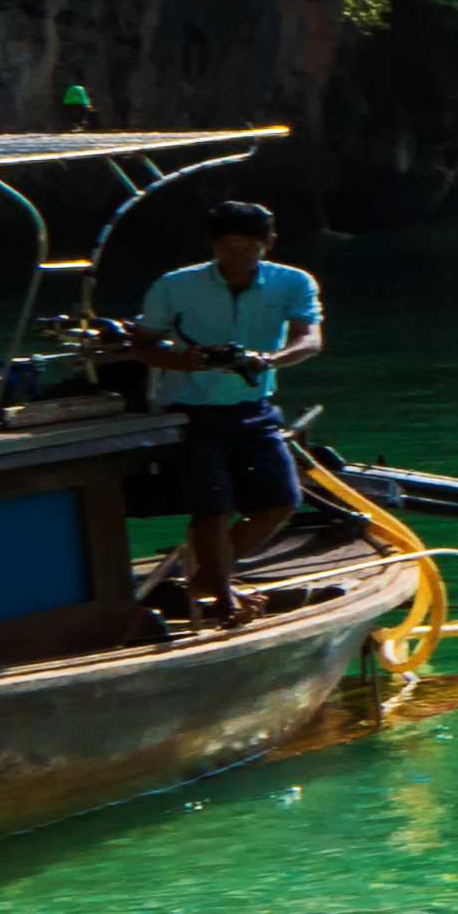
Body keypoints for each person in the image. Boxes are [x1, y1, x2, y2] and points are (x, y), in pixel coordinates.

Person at [127, 197, 325, 624]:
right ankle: (221, 595)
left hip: (254, 408)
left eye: (248, 247)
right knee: (212, 507)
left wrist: (270, 359)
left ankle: (205, 580)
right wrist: (187, 360)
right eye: (228, 247)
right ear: (212, 245)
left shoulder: (292, 282)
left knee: (282, 501)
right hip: (190, 412)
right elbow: (141, 344)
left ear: (268, 243)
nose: (237, 256)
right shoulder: (175, 286)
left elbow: (310, 339)